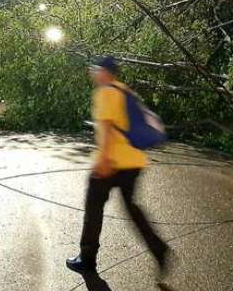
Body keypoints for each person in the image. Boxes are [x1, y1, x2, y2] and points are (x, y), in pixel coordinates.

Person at [66, 56, 169, 276]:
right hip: (134, 161)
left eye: (96, 69)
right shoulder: (125, 90)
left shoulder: (105, 93)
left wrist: (103, 161)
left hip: (112, 162)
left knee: (93, 207)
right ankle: (158, 248)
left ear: (105, 72)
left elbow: (106, 127)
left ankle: (87, 258)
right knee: (132, 208)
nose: (93, 73)